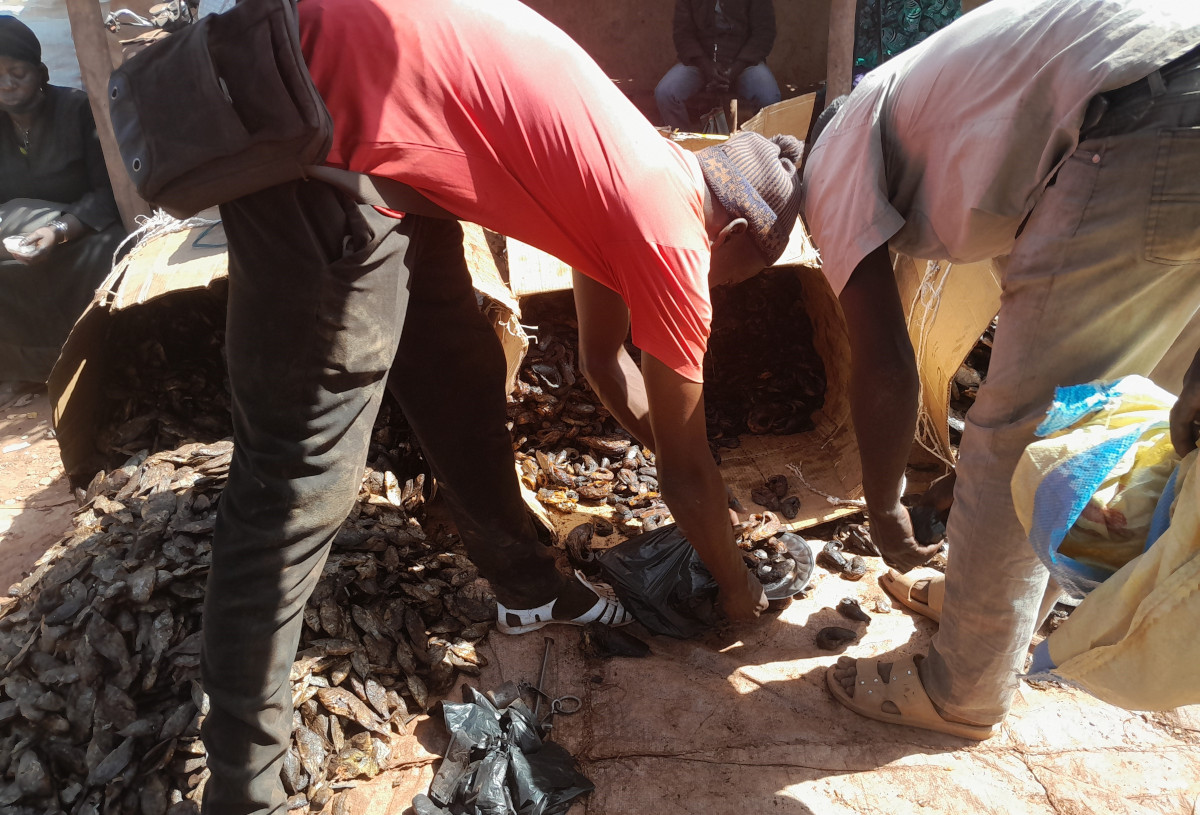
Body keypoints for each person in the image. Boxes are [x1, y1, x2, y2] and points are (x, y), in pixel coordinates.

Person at [197, 0, 804, 810]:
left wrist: (694, 483)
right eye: (741, 279)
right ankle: (245, 790)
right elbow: (685, 474)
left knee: (456, 365)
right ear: (735, 240)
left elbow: (601, 363)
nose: (722, 291)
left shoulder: (641, 167)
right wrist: (736, 589)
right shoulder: (673, 239)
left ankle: (528, 583)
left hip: (397, 131)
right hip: (322, 111)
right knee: (299, 471)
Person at [801, 0, 1200, 739]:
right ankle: (987, 610)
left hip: (1142, 122)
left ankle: (965, 686)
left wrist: (885, 509)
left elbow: (884, 363)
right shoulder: (922, 93)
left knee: (1023, 434)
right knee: (1118, 418)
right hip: (1167, 90)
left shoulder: (828, 160)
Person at [0, 16, 125, 389]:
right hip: (17, 233)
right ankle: (21, 371)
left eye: (16, 72)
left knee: (111, 249)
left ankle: (91, 362)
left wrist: (57, 230)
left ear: (41, 71)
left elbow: (109, 192)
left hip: (81, 229)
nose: (6, 84)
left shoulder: (78, 110)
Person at [655, 0, 782, 131]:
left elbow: (764, 33)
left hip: (745, 64)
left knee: (769, 96)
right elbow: (683, 34)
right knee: (666, 93)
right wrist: (706, 66)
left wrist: (736, 68)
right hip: (700, 64)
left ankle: (765, 149)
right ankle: (682, 147)